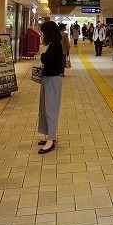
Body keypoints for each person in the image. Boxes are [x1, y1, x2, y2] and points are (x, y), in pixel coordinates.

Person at [37, 21, 64, 154]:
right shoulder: (53, 45)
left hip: (53, 80)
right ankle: (49, 136)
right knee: (45, 107)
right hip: (49, 79)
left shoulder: (54, 46)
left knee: (50, 109)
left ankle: (51, 139)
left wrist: (43, 53)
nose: (42, 35)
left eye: (43, 32)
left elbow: (45, 59)